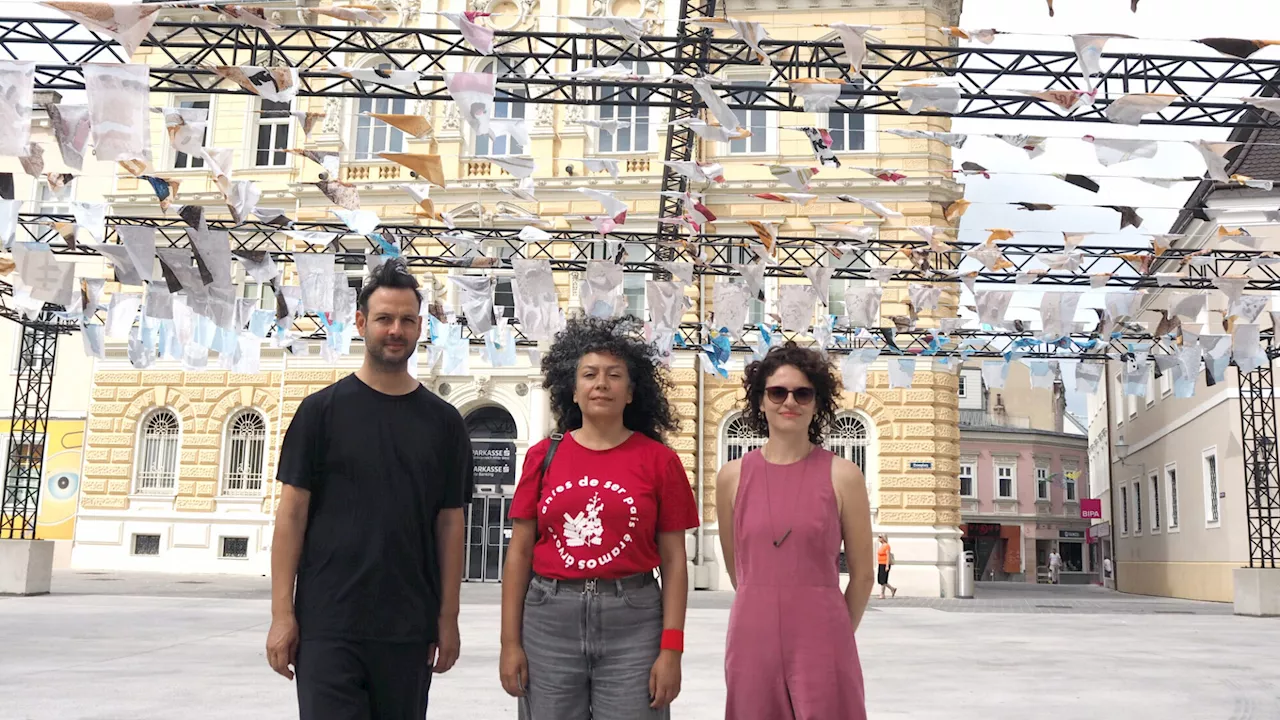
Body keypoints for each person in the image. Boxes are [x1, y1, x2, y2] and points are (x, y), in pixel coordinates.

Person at [266, 258, 473, 720]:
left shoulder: (445, 424)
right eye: (383, 319)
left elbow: (450, 524)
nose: (394, 330)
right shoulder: (320, 412)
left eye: (405, 320)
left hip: (408, 627)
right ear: (361, 323)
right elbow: (291, 516)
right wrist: (283, 614)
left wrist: (448, 617)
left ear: (421, 327)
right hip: (328, 625)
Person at [499, 316, 700, 720]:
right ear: (572, 391)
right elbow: (519, 553)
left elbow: (676, 562)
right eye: (589, 374)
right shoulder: (542, 456)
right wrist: (510, 643)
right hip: (549, 619)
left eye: (614, 375)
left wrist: (671, 649)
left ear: (631, 392)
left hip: (634, 619)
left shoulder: (659, 461)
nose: (601, 383)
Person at [716, 342, 874, 720]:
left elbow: (864, 575)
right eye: (777, 392)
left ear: (817, 402)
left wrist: (833, 632)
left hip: (822, 631)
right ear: (760, 401)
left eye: (803, 392)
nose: (790, 401)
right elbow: (737, 567)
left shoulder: (844, 475)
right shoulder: (731, 477)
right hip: (752, 633)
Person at [876, 534, 897, 599]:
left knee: (883, 580)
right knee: (881, 580)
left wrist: (887, 566)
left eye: (880, 537)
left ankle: (882, 594)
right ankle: (892, 589)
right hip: (880, 564)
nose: (878, 538)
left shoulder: (887, 546)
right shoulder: (881, 546)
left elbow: (888, 556)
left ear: (883, 538)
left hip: (885, 564)